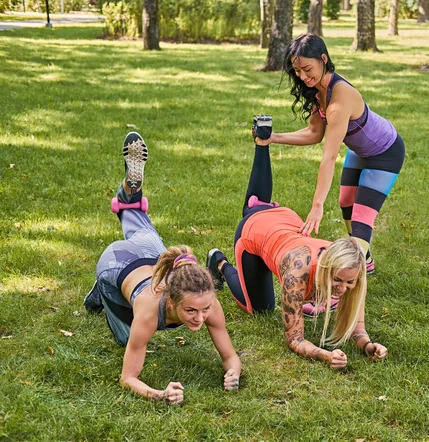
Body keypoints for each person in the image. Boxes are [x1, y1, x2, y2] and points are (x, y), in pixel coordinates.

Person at [205, 122, 388, 370]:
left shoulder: (351, 266)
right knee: (259, 308)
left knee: (256, 203)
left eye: (349, 282)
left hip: (287, 221)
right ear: (327, 266)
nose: (343, 288)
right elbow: (294, 339)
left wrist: (368, 346)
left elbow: (359, 329)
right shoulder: (298, 274)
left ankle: (262, 145)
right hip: (255, 232)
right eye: (338, 280)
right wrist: (324, 355)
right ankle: (220, 262)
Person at [84, 132, 241, 403]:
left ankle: (130, 194)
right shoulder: (148, 312)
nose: (200, 318)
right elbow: (128, 377)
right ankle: (101, 291)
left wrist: (234, 372)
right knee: (125, 339)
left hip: (152, 255)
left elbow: (229, 356)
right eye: (190, 311)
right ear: (171, 299)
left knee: (135, 215)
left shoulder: (205, 299)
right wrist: (159, 394)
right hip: (117, 262)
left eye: (204, 310)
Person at [257, 34, 405, 284]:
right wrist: (274, 138)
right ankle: (363, 258)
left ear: (323, 59)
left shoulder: (340, 97)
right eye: (297, 71)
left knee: (361, 219)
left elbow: (329, 156)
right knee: (346, 201)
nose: (303, 76)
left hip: (385, 153)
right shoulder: (318, 92)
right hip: (360, 150)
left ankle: (344, 282)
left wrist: (317, 206)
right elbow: (315, 133)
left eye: (307, 69)